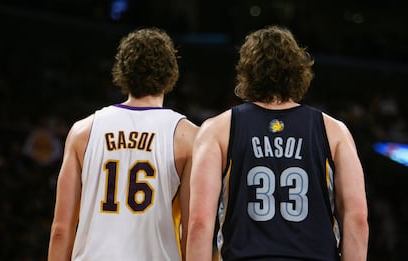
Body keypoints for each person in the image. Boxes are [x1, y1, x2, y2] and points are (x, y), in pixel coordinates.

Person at [186, 25, 369, 261]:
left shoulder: (217, 130)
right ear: (298, 71)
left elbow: (200, 221)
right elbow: (357, 219)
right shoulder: (334, 131)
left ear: (247, 72)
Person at [48, 27, 198, 261]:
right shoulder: (187, 137)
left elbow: (60, 230)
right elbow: (193, 230)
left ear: (122, 71)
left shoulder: (82, 131)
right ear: (171, 74)